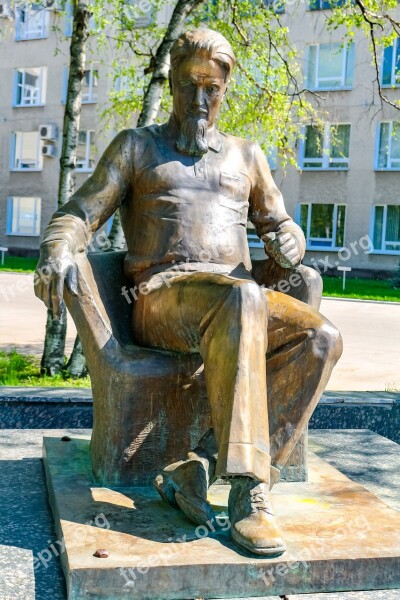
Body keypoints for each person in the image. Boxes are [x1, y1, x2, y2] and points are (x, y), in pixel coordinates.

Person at [35, 28, 342, 557]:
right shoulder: (136, 146)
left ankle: (195, 467)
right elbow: (78, 215)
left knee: (322, 338)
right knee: (240, 298)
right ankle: (249, 492)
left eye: (212, 88)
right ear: (172, 83)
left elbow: (281, 226)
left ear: (225, 90)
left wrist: (289, 238)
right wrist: (56, 251)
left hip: (235, 298)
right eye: (189, 85)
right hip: (161, 299)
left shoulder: (247, 156)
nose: (200, 100)